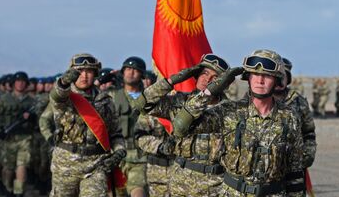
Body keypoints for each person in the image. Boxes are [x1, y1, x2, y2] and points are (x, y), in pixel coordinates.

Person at [172, 49, 304, 197]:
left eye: (267, 76)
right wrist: (210, 91)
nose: (260, 81)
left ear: (277, 80)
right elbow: (181, 126)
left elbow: (295, 170)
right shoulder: (229, 112)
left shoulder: (290, 117)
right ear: (248, 78)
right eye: (255, 74)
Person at [135, 53, 230, 197]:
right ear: (196, 75)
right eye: (204, 73)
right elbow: (144, 104)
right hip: (180, 182)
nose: (207, 79)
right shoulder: (179, 102)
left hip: (215, 184)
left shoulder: (230, 110)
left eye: (215, 78)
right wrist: (171, 81)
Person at [49, 53, 126, 196]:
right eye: (79, 72)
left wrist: (119, 151)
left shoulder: (105, 100)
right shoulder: (66, 97)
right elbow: (57, 95)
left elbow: (115, 133)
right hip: (66, 164)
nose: (84, 76)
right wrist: (64, 82)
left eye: (89, 71)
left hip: (96, 165)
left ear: (95, 74)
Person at [274, 57, 316, 194]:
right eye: (277, 76)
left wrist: (307, 156)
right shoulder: (258, 100)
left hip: (295, 166)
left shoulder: (298, 101)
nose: (280, 81)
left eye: (283, 76)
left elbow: (309, 132)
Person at [110, 56, 148, 197]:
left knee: (137, 188)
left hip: (137, 155)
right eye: (127, 69)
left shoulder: (148, 98)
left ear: (142, 75)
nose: (130, 73)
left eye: (135, 70)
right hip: (113, 155)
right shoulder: (111, 96)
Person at [0, 71, 36, 196]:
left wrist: (31, 117)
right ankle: (7, 189)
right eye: (18, 81)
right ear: (13, 83)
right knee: (8, 168)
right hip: (8, 138)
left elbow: (38, 120)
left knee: (22, 165)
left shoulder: (31, 101)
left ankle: (19, 192)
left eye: (23, 82)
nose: (20, 84)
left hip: (25, 138)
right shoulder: (4, 100)